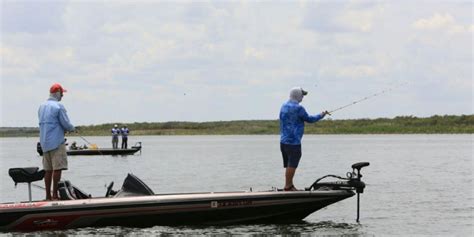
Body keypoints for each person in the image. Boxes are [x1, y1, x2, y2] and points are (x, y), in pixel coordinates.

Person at [279, 87, 328, 191]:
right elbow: (310, 119)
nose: (302, 97)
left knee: (289, 164)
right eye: (302, 95)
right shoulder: (298, 108)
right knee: (292, 164)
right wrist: (321, 115)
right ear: (298, 96)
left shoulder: (283, 106)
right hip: (294, 142)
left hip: (283, 141)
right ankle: (288, 186)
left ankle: (289, 185)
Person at [38, 83, 75, 200]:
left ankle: (48, 196)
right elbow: (66, 124)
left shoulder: (41, 106)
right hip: (56, 142)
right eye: (62, 93)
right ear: (58, 93)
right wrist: (72, 128)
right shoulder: (59, 106)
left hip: (44, 143)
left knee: (47, 170)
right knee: (57, 169)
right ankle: (55, 195)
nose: (62, 96)